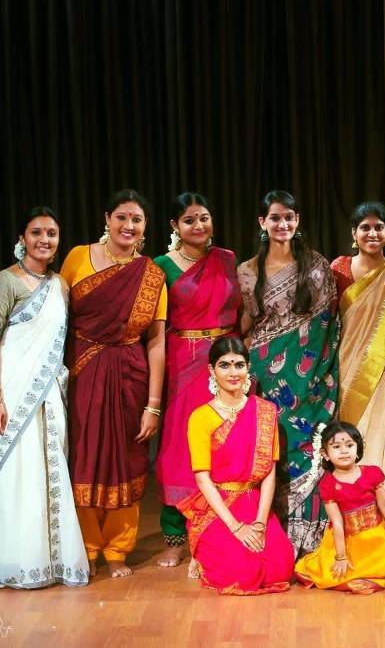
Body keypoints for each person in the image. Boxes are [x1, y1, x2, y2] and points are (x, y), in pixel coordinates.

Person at [0, 207, 89, 588]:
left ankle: (49, 564)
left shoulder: (60, 287)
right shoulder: (3, 282)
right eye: (36, 232)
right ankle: (12, 563)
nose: (44, 240)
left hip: (47, 396)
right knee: (15, 478)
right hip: (9, 393)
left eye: (51, 233)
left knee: (46, 475)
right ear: (21, 238)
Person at [60, 189, 167, 578]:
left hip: (129, 374)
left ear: (145, 227)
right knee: (84, 456)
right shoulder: (77, 258)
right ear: (107, 218)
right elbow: (55, 318)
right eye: (122, 217)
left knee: (127, 457)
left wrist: (153, 405)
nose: (128, 225)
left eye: (137, 219)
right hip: (83, 370)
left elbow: (156, 341)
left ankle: (119, 548)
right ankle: (87, 547)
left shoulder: (151, 275)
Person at [238, 190, 340, 556]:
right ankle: (271, 534)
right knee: (272, 448)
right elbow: (249, 322)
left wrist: (315, 376)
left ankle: (307, 538)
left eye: (290, 217)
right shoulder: (247, 271)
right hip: (265, 377)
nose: (283, 224)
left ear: (298, 221)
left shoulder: (316, 266)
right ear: (262, 222)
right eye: (276, 217)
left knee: (307, 446)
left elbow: (328, 323)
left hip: (310, 379)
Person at [153, 193, 241, 569]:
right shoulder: (161, 266)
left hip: (226, 360)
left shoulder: (227, 259)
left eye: (204, 217)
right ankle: (175, 536)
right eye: (189, 220)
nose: (199, 225)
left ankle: (219, 528)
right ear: (175, 226)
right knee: (180, 447)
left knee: (225, 443)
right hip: (183, 362)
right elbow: (154, 322)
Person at [178, 337, 295, 594]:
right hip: (219, 506)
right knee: (243, 575)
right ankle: (200, 551)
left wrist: (260, 524)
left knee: (281, 568)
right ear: (212, 370)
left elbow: (269, 473)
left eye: (239, 365)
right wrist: (236, 528)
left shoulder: (265, 411)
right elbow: (202, 479)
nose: (233, 373)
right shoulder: (200, 417)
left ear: (248, 368)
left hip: (255, 503)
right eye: (225, 365)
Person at [331, 202, 385, 523]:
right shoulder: (338, 269)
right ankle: (347, 517)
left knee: (382, 440)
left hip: (383, 368)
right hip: (346, 368)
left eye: (378, 227)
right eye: (365, 227)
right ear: (354, 233)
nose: (372, 233)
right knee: (347, 440)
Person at [294, 422, 385, 593]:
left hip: (376, 535)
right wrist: (341, 556)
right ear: (325, 454)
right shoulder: (328, 484)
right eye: (336, 446)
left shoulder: (372, 473)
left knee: (382, 561)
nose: (344, 451)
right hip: (345, 539)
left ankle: (371, 576)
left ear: (358, 448)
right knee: (334, 573)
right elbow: (337, 522)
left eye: (349, 445)